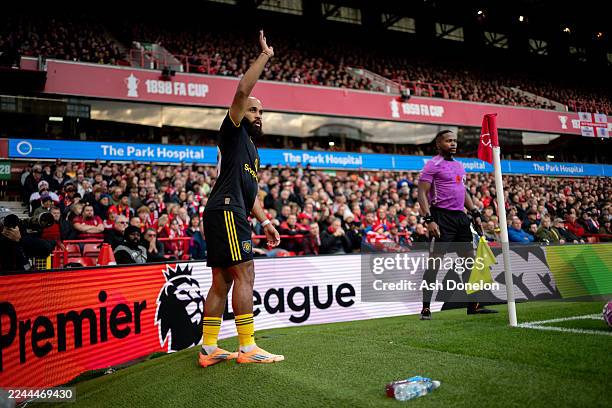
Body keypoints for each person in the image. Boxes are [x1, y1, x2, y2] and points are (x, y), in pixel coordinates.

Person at [198, 31, 283, 367]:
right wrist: (265, 56)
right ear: (240, 113)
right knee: (244, 273)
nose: (257, 114)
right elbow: (242, 91)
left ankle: (209, 348)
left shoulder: (252, 150)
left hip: (229, 211)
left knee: (220, 280)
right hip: (227, 213)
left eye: (261, 111)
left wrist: (266, 221)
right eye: (252, 110)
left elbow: (252, 194)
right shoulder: (232, 132)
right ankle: (247, 347)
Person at [417, 129, 496, 320]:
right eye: (448, 141)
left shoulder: (460, 166)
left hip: (460, 218)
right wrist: (429, 220)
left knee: (468, 263)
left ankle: (473, 305)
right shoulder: (432, 165)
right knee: (434, 265)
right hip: (441, 218)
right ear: (438, 144)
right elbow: (421, 193)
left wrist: (475, 212)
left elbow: (463, 191)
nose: (453, 143)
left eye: (454, 141)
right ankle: (426, 308)